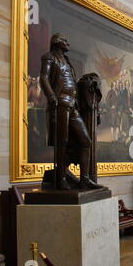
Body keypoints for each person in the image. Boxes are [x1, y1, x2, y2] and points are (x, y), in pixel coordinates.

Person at [40, 33, 103, 190]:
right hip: (60, 102)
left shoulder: (67, 62)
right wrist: (51, 96)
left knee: (85, 140)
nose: (68, 43)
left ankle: (85, 179)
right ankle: (60, 179)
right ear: (57, 42)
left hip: (72, 105)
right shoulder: (49, 57)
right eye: (65, 41)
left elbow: (72, 82)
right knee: (62, 141)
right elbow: (43, 78)